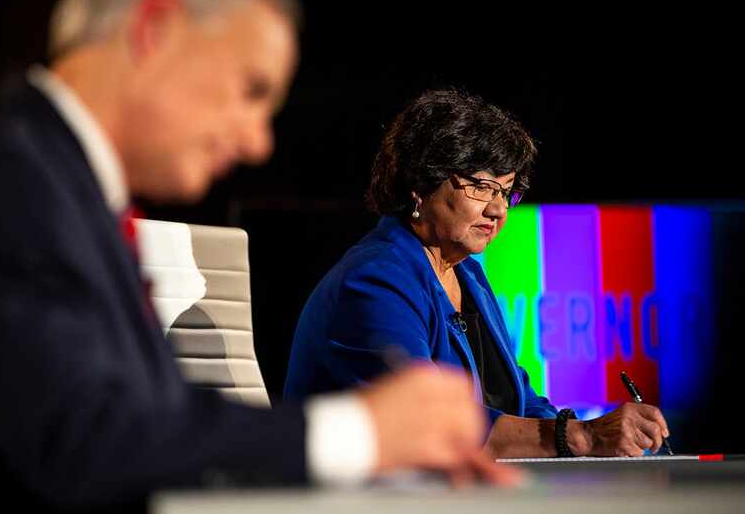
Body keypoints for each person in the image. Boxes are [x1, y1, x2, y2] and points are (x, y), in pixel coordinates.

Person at [0, 0, 517, 512]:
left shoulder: (56, 184)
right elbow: (82, 442)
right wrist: (359, 431)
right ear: (154, 28)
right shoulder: (5, 184)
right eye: (251, 90)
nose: (258, 142)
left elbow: (151, 420)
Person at [284, 89, 671, 459]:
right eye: (482, 187)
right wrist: (582, 438)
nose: (498, 210)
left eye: (506, 191)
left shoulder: (468, 275)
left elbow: (518, 396)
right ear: (421, 185)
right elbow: (427, 423)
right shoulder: (374, 282)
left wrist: (594, 434)